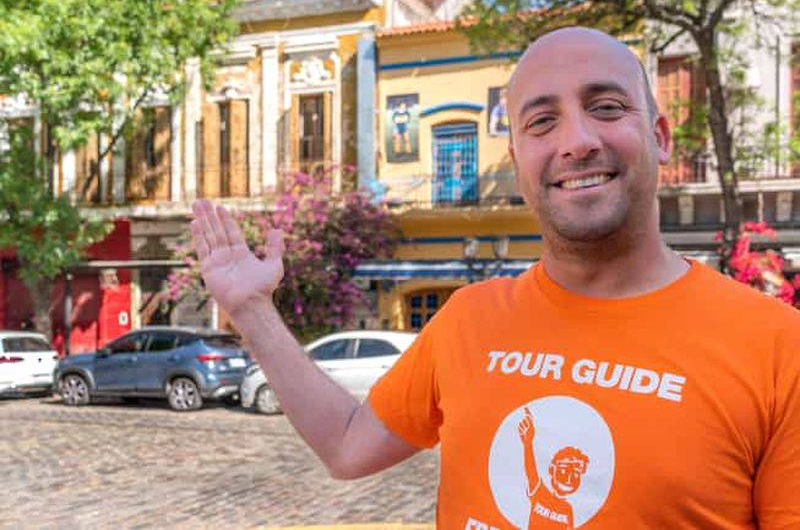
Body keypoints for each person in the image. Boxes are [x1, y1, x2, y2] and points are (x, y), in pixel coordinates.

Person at [190, 27, 800, 528]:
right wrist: (251, 311)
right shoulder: (468, 317)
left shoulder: (777, 349)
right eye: (542, 122)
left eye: (606, 107)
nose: (576, 141)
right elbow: (348, 446)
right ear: (517, 161)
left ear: (659, 137)